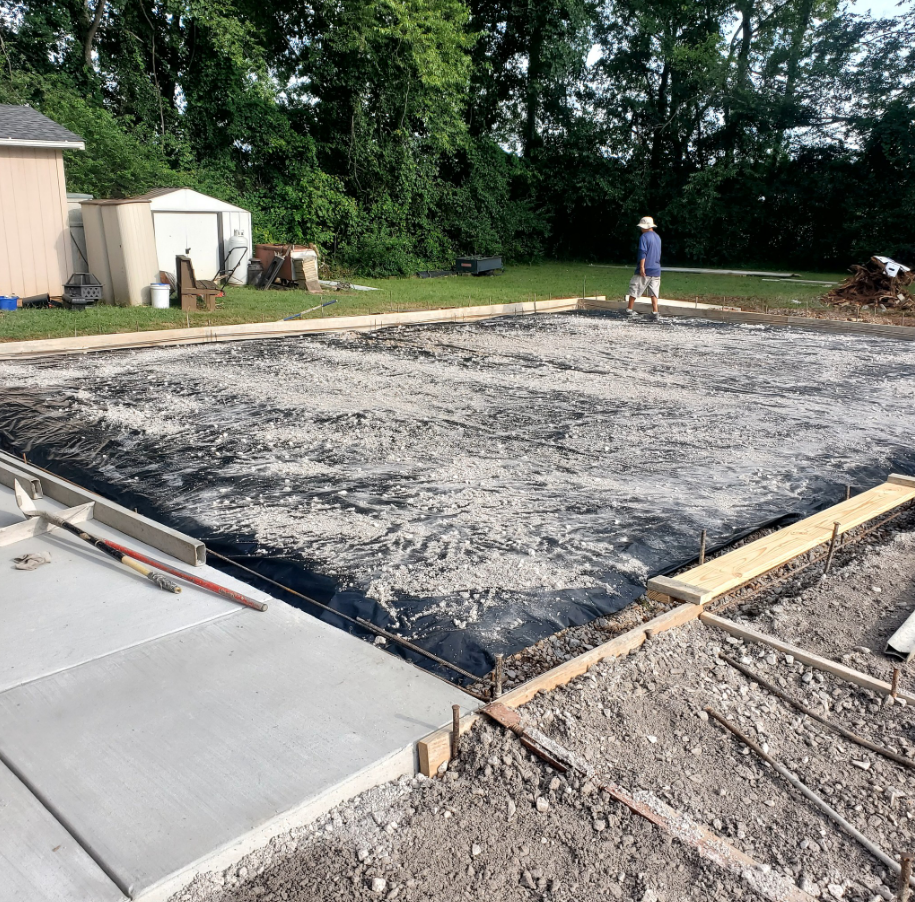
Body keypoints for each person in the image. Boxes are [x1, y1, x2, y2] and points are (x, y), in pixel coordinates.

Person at [626, 216, 661, 320]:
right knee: (654, 292)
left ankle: (629, 309)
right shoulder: (657, 237)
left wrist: (642, 267)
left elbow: (643, 252)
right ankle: (655, 312)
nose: (641, 229)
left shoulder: (644, 237)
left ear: (645, 227)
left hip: (646, 268)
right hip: (656, 269)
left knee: (635, 286)